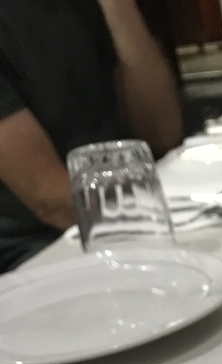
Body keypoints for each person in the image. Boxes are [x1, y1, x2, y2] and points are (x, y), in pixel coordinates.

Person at [0, 0, 183, 273]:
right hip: (34, 252)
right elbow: (53, 201)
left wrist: (119, 7)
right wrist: (160, 217)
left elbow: (163, 131)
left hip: (127, 219)